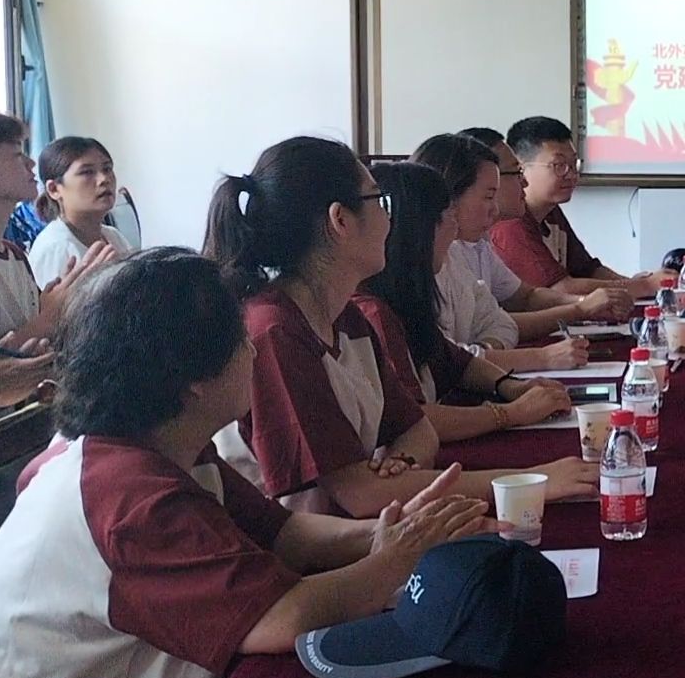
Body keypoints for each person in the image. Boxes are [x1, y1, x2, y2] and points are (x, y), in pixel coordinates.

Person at [0, 249, 495, 678]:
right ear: (192, 380)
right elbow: (282, 618)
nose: (254, 351)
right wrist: (396, 557)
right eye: (241, 341)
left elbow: (285, 534)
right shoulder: (126, 495)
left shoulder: (159, 442)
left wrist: (387, 533)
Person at [202, 135, 593, 516]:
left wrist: (402, 463)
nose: (391, 219)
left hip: (371, 532)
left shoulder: (346, 317)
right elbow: (359, 495)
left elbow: (417, 428)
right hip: (315, 552)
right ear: (340, 220)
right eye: (379, 201)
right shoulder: (275, 331)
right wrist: (529, 479)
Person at [356, 161, 573, 442]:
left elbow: (455, 361)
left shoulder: (408, 293)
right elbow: (416, 419)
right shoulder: (372, 311)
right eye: (448, 215)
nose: (455, 226)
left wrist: (509, 385)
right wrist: (511, 413)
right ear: (418, 229)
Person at [412, 133, 623, 372]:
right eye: (489, 196)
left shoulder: (458, 253)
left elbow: (502, 323)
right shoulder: (417, 268)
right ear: (448, 199)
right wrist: (542, 356)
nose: (524, 183)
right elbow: (444, 361)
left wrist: (486, 351)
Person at [0, 111, 110, 417]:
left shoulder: (16, 255)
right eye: (18, 155)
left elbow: (27, 371)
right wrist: (48, 317)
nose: (32, 164)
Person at [487, 116, 653, 298]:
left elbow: (588, 270)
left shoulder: (551, 211)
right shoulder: (510, 223)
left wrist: (636, 285)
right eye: (559, 165)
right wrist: (642, 286)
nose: (571, 174)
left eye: (574, 164)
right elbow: (560, 289)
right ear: (521, 167)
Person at [28, 136, 134, 288]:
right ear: (54, 189)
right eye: (87, 172)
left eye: (107, 169)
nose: (104, 179)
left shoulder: (113, 236)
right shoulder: (54, 249)